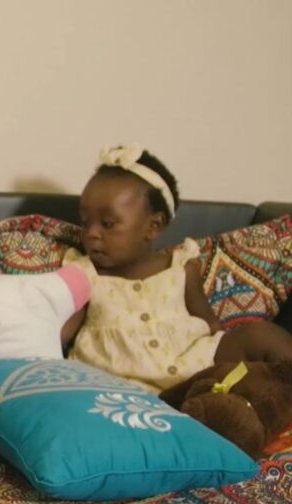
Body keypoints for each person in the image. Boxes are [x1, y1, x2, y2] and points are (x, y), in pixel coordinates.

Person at [66, 145, 292, 393]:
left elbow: (211, 326)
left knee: (262, 336)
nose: (92, 234)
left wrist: (228, 355)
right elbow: (57, 334)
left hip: (193, 370)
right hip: (119, 385)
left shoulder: (180, 267)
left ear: (153, 226)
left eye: (107, 224)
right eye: (86, 222)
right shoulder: (84, 275)